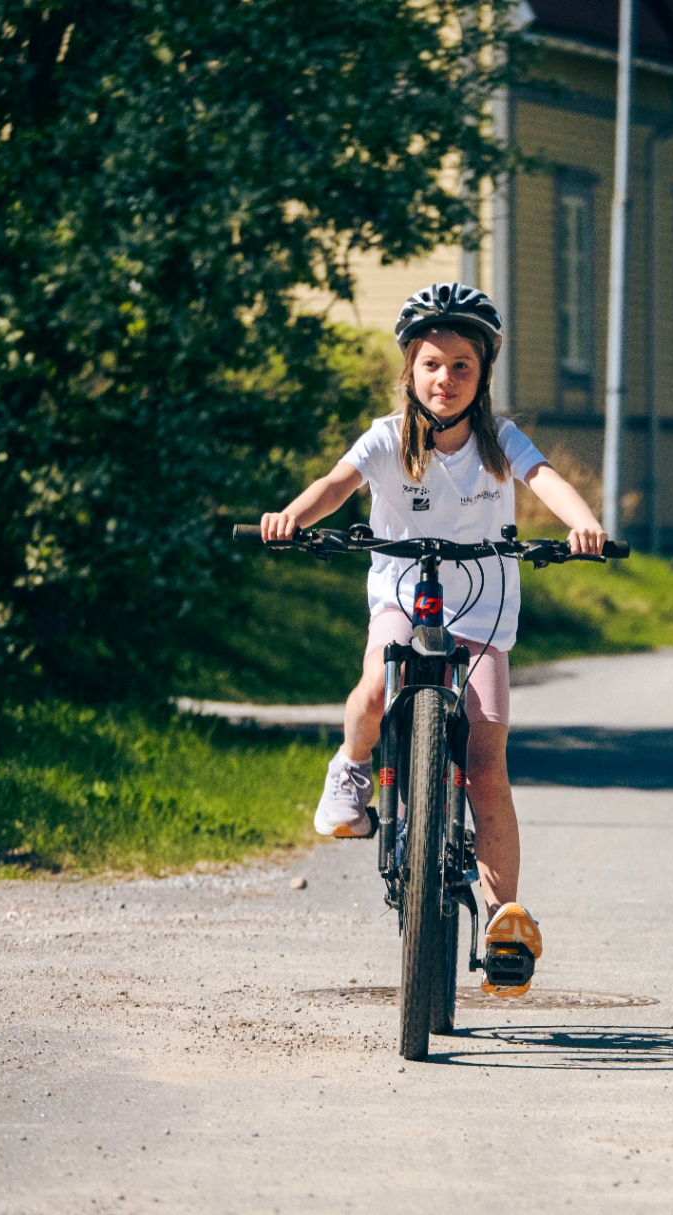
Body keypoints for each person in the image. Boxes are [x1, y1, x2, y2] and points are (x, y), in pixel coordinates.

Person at [258, 283, 606, 996]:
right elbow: (336, 484)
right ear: (410, 370)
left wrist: (583, 524)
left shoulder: (499, 440)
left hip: (481, 607)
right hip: (401, 589)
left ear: (481, 378)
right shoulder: (388, 436)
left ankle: (499, 917)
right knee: (376, 688)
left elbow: (544, 479)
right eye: (431, 365)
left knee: (485, 758)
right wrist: (291, 514)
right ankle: (352, 771)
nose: (444, 379)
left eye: (461, 367)